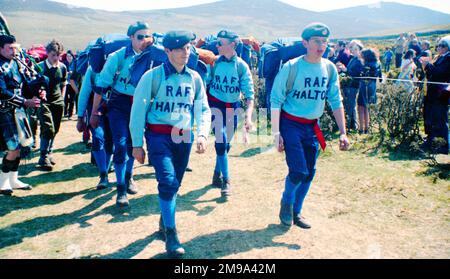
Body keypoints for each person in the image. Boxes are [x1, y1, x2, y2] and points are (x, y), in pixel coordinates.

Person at [130, 30, 211, 258]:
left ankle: (164, 220)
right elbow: (138, 111)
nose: (186, 53)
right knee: (167, 181)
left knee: (175, 185)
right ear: (167, 51)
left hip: (184, 136)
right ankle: (172, 234)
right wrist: (137, 143)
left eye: (188, 48)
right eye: (180, 49)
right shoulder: (152, 77)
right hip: (159, 135)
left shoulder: (195, 77)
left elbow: (202, 108)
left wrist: (203, 134)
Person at [270, 23, 349, 229]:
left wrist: (343, 133)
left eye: (324, 41)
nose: (321, 45)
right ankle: (286, 203)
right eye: (316, 41)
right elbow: (276, 100)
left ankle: (297, 212)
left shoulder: (329, 68)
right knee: (298, 171)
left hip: (312, 127)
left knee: (310, 172)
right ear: (305, 43)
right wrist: (276, 132)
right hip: (290, 124)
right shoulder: (292, 67)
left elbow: (336, 101)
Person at [90, 21, 151, 206]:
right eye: (140, 36)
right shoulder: (118, 56)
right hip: (118, 104)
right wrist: (94, 113)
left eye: (147, 36)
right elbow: (101, 86)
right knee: (121, 144)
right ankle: (121, 188)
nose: (144, 40)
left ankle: (129, 175)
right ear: (131, 37)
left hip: (139, 105)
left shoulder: (152, 56)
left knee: (134, 143)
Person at [206, 30, 254, 200]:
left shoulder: (241, 66)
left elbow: (249, 95)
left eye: (221, 43)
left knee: (226, 146)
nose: (217, 46)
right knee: (221, 141)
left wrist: (248, 117)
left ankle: (217, 173)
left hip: (232, 108)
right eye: (216, 42)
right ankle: (226, 181)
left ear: (232, 45)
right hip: (215, 105)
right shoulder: (214, 63)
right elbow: (205, 83)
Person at [0, 34, 45, 195]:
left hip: (18, 111)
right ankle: (3, 182)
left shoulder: (16, 64)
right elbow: (2, 92)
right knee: (12, 147)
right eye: (9, 48)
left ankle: (14, 180)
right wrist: (25, 102)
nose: (13, 50)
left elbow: (24, 86)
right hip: (4, 112)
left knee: (21, 145)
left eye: (14, 47)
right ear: (0, 48)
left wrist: (38, 92)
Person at [77, 65, 113, 190]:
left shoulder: (120, 62)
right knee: (98, 138)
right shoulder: (92, 69)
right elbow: (84, 92)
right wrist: (80, 117)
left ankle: (106, 169)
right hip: (95, 109)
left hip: (114, 108)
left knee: (111, 142)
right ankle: (103, 174)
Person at [37, 39, 67, 171]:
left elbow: (63, 84)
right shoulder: (40, 67)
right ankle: (43, 157)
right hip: (44, 102)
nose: (56, 58)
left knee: (55, 128)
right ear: (47, 53)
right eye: (53, 55)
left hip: (58, 101)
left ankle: (49, 152)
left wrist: (62, 98)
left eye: (58, 55)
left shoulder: (62, 67)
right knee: (48, 128)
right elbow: (33, 85)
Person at [420, 36, 450, 154]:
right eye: (438, 45)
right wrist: (426, 66)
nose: (439, 48)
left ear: (447, 48)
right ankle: (431, 141)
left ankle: (443, 146)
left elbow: (439, 74)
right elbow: (431, 74)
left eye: (442, 46)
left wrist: (428, 65)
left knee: (440, 119)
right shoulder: (440, 58)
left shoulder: (448, 59)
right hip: (432, 93)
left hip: (441, 93)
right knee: (430, 116)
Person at [336, 39, 364, 131]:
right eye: (352, 48)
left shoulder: (359, 60)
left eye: (355, 49)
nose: (352, 50)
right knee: (350, 105)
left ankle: (351, 126)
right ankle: (352, 125)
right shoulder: (353, 59)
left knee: (351, 105)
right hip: (350, 84)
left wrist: (345, 70)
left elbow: (357, 73)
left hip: (354, 85)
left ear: (360, 49)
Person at [358, 48, 382, 134]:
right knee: (367, 107)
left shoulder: (367, 64)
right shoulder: (378, 63)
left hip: (365, 85)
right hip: (372, 85)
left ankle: (361, 128)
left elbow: (362, 74)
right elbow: (380, 78)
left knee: (361, 106)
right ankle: (367, 128)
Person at [63, 50, 78, 120]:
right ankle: (65, 112)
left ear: (72, 57)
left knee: (72, 99)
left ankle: (70, 114)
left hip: (73, 83)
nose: (68, 58)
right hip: (66, 83)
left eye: (70, 56)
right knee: (65, 99)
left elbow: (77, 72)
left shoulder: (75, 64)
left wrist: (72, 72)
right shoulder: (65, 64)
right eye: (67, 56)